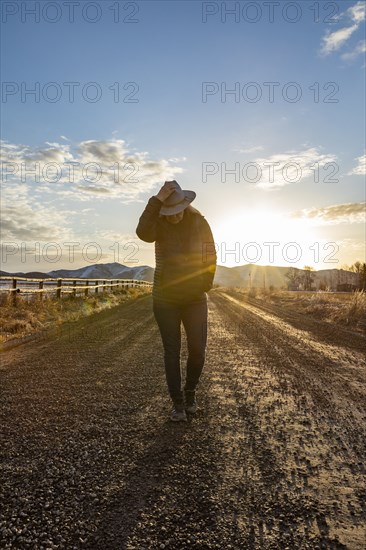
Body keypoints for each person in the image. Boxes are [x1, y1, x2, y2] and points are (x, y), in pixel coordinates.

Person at [136, 180, 217, 422]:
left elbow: (210, 252)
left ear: (184, 206)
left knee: (197, 350)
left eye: (175, 212)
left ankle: (190, 392)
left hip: (194, 298)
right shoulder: (158, 224)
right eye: (167, 212)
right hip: (165, 298)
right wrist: (156, 200)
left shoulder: (199, 222)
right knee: (171, 351)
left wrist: (205, 283)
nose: (172, 217)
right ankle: (178, 404)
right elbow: (142, 233)